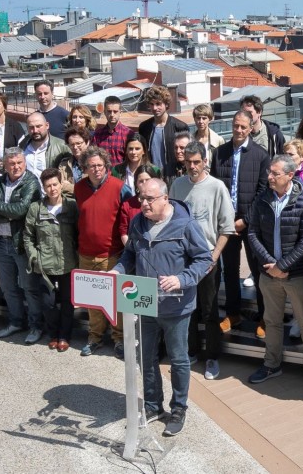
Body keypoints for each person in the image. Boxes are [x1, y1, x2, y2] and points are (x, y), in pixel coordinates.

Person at [112, 178, 213, 438]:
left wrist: (181, 278)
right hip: (144, 302)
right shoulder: (138, 223)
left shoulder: (186, 225)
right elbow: (129, 255)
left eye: (149, 199)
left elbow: (204, 259)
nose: (143, 204)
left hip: (176, 307)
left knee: (179, 360)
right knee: (146, 358)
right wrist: (117, 271)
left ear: (165, 198)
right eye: (141, 199)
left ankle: (178, 409)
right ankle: (153, 405)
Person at [245, 155, 303, 393]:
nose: (269, 177)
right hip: (269, 274)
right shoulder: (262, 199)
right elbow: (252, 234)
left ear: (290, 175)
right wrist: (271, 264)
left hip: (297, 275)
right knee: (272, 321)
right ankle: (271, 364)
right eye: (270, 172)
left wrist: (284, 266)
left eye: (275, 173)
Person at [170, 141, 235, 380]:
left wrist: (214, 257)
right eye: (188, 162)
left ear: (205, 161)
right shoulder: (177, 185)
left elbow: (226, 228)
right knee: (187, 308)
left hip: (207, 258)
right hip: (183, 260)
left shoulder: (217, 187)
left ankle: (212, 358)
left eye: (197, 162)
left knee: (209, 311)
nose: (192, 166)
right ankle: (191, 351)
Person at [213, 111, 272, 333]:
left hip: (251, 224)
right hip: (226, 223)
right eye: (235, 126)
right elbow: (215, 189)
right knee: (230, 270)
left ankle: (264, 318)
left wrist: (245, 221)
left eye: (243, 127)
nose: (238, 130)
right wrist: (227, 221)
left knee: (258, 271)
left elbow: (262, 192)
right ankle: (233, 314)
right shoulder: (220, 153)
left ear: (250, 128)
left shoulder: (261, 155)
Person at [0, 148, 46, 343]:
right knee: (8, 288)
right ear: (5, 165)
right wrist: (8, 213)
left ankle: (36, 326)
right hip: (1, 242)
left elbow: (21, 210)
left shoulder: (31, 182)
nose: (16, 167)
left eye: (19, 163)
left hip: (22, 243)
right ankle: (16, 322)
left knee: (29, 288)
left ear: (24, 163)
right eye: (11, 164)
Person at [72, 146, 127, 357]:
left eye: (99, 165)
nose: (96, 169)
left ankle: (119, 339)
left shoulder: (119, 187)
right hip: (86, 254)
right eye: (91, 166)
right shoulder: (78, 189)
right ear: (85, 167)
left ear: (106, 166)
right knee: (93, 301)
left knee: (116, 302)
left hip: (111, 255)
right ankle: (94, 337)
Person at [23, 168, 79, 352]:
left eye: (55, 184)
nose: (52, 189)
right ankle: (53, 333)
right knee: (48, 303)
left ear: (61, 183)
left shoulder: (71, 206)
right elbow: (28, 236)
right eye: (48, 186)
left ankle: (64, 335)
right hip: (45, 266)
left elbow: (79, 233)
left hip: (68, 263)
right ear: (43, 187)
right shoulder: (36, 208)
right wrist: (34, 256)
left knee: (67, 302)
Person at [137, 85, 188, 178]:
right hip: (151, 175)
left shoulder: (180, 126)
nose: (155, 108)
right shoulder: (144, 127)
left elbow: (186, 153)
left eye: (158, 104)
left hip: (173, 175)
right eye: (152, 104)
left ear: (166, 104)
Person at [111, 131, 161, 201]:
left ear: (144, 151)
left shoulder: (154, 170)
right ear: (126, 151)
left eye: (137, 149)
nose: (133, 152)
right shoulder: (117, 170)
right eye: (130, 149)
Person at [118, 168, 158, 248]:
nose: (144, 183)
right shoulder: (128, 205)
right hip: (136, 250)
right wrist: (132, 251)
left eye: (147, 180)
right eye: (140, 181)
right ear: (136, 183)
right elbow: (124, 231)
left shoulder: (160, 201)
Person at [22, 111, 67, 179]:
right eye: (31, 127)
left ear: (47, 125)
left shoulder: (62, 146)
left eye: (38, 126)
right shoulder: (22, 147)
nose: (35, 130)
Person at [93, 95, 132, 166]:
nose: (112, 114)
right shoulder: (97, 135)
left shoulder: (128, 134)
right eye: (109, 111)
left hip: (121, 175)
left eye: (115, 111)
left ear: (120, 112)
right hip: (103, 175)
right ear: (104, 112)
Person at [56, 127, 90, 195]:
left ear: (87, 142)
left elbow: (93, 189)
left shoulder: (96, 163)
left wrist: (70, 187)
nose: (75, 147)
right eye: (72, 144)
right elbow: (60, 187)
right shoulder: (64, 165)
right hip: (70, 203)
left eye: (78, 143)